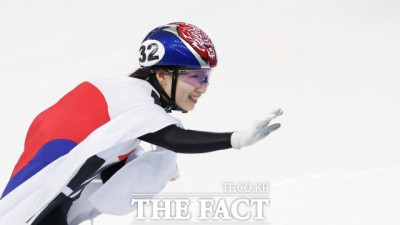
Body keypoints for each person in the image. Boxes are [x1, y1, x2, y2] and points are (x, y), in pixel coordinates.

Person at [0, 22, 283, 225]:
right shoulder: (136, 104)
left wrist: (129, 158)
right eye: (195, 77)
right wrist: (237, 139)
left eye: (207, 77)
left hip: (41, 206)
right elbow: (173, 139)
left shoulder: (111, 90)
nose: (203, 87)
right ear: (161, 75)